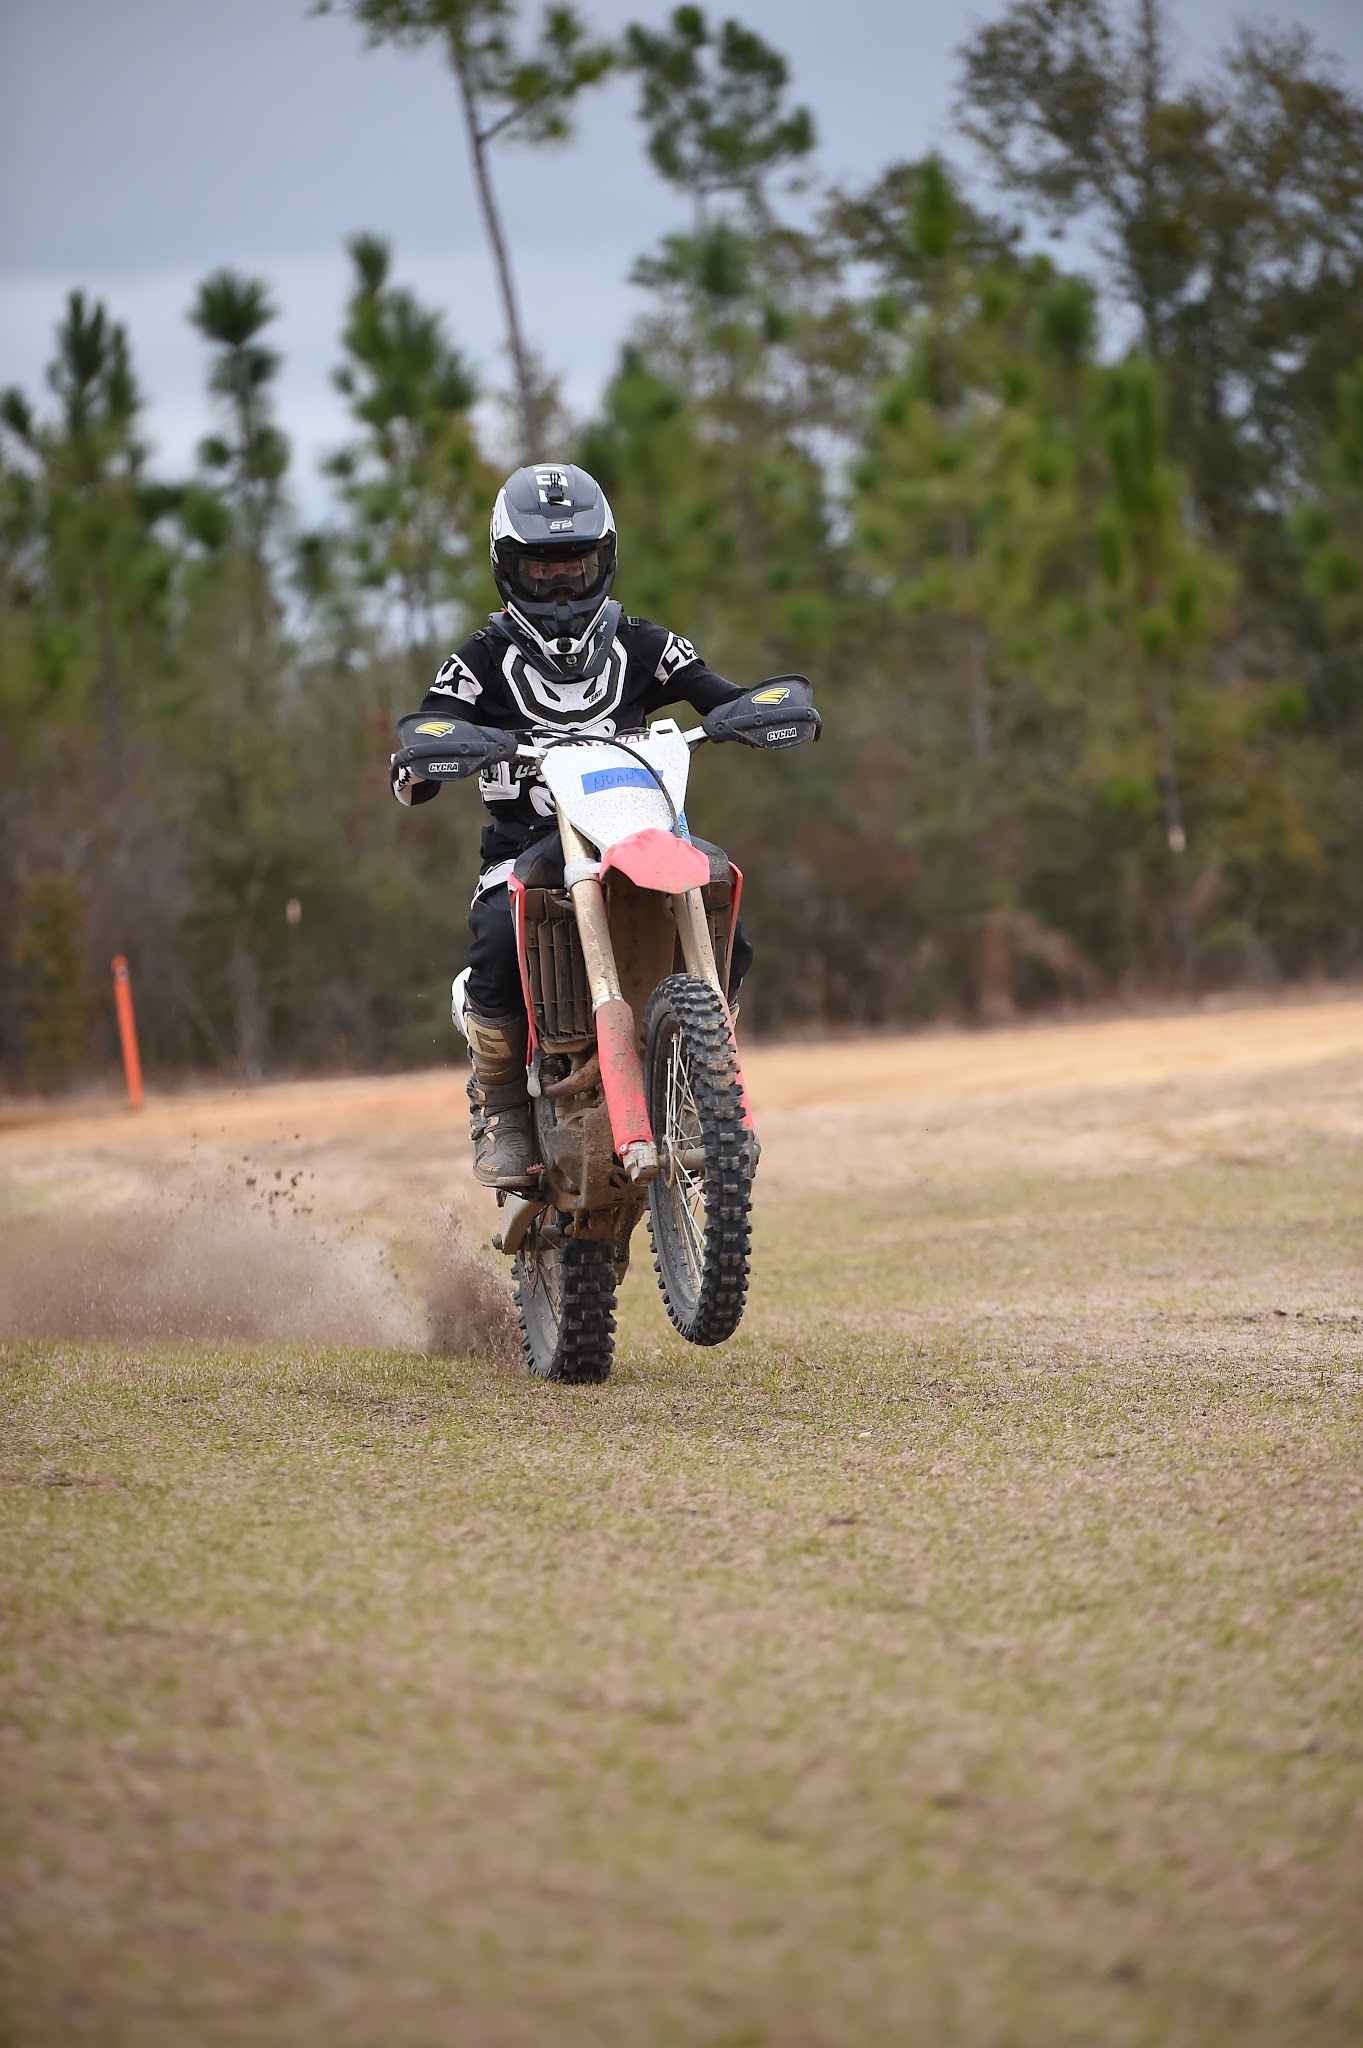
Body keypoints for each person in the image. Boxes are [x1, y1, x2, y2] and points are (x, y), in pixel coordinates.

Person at [391, 461, 753, 1188]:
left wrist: (749, 712)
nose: (560, 586)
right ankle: (497, 1103)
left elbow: (719, 694)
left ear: (605, 561)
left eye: (576, 566)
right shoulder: (480, 659)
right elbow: (426, 734)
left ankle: (701, 1079)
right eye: (541, 569)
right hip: (526, 851)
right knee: (497, 937)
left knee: (722, 904)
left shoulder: (645, 644)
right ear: (506, 569)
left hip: (638, 837)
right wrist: (433, 755)